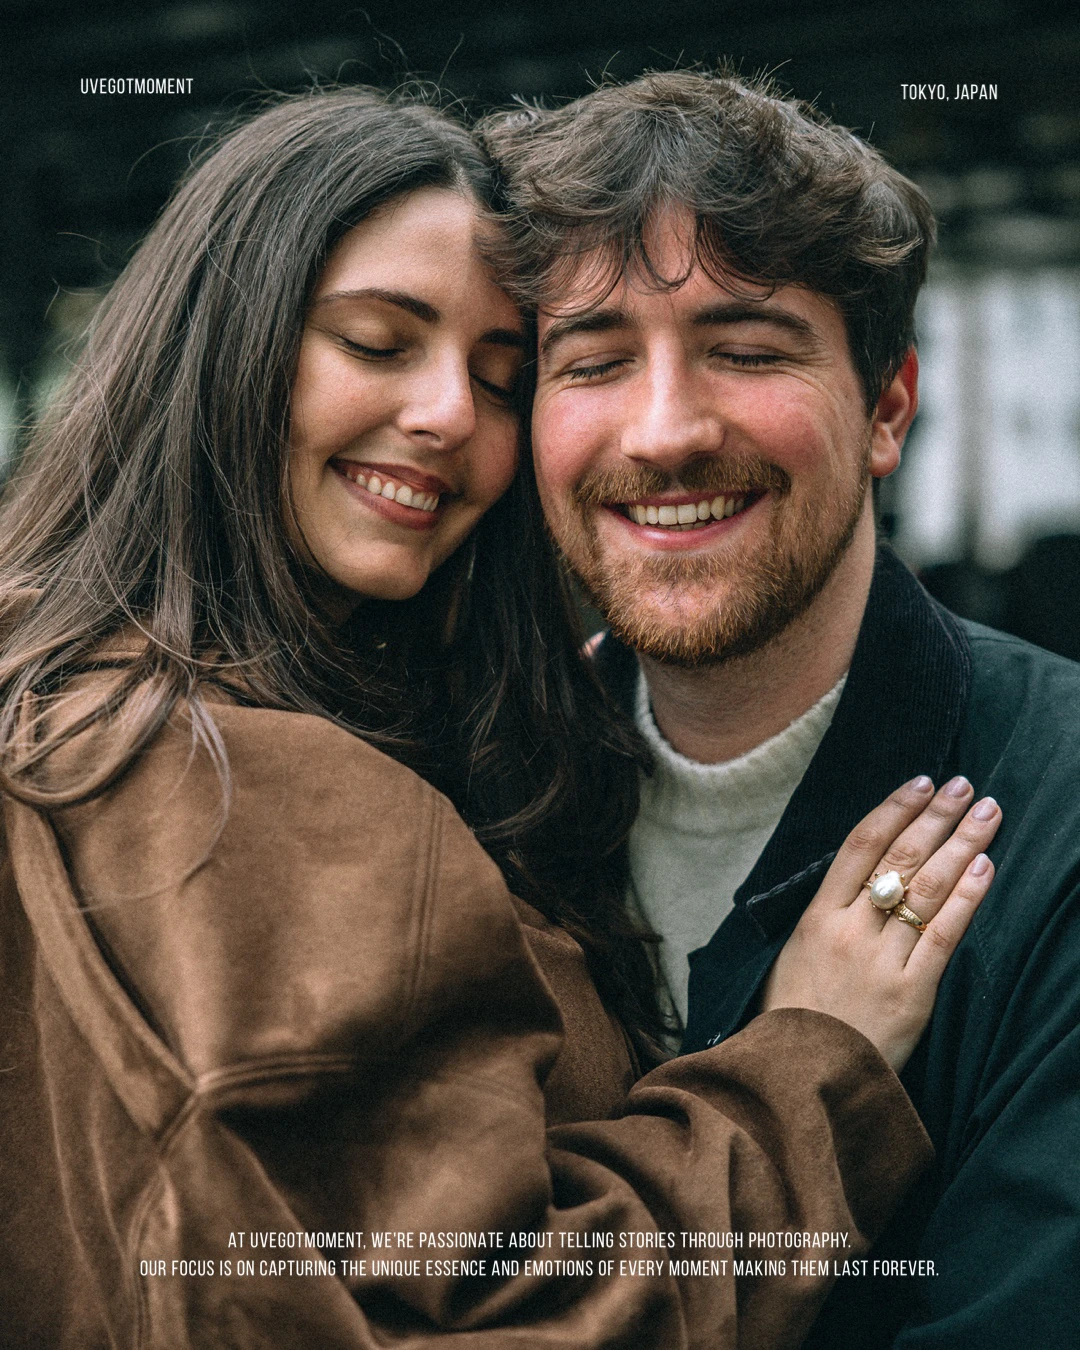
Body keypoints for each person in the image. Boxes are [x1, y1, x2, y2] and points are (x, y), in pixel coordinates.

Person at [0, 88, 997, 1349]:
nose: (450, 416)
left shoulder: (57, 705)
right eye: (375, 342)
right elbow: (494, 1324)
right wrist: (813, 1061)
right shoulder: (256, 784)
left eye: (506, 374)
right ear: (222, 349)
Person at [481, 68, 1080, 1349]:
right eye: (590, 363)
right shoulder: (469, 808)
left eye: (746, 350)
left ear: (886, 406)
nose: (664, 432)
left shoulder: (1062, 818)